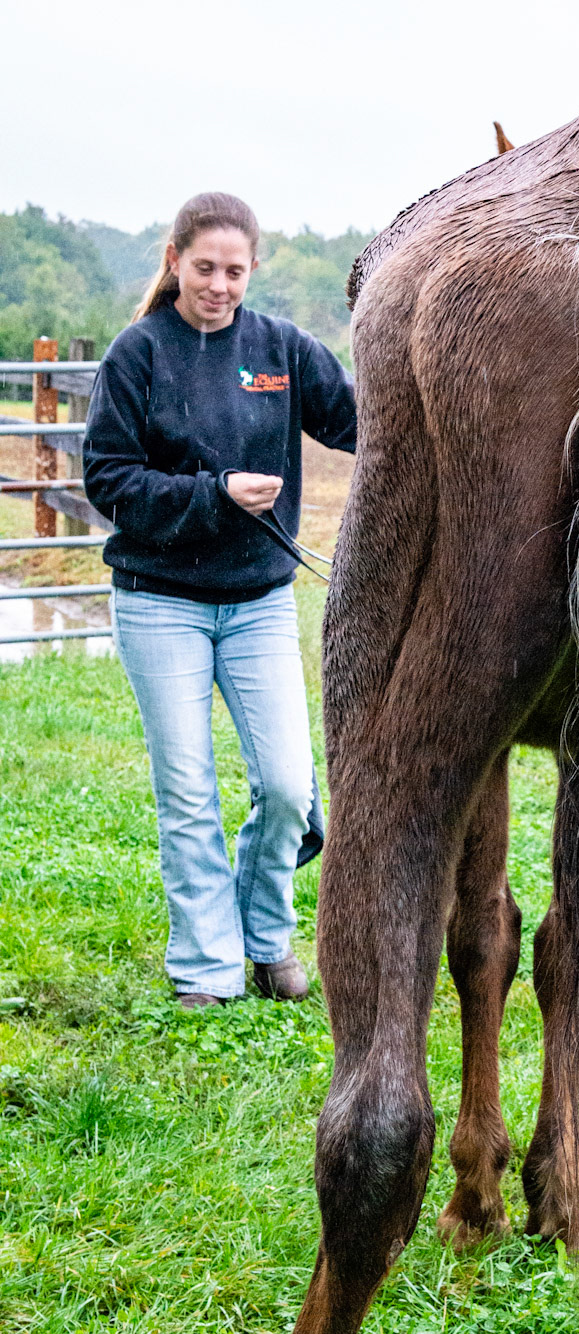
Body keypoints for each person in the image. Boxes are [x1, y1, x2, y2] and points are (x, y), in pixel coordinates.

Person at [83, 191, 357, 1009]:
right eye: (205, 268)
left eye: (235, 271)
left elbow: (357, 420)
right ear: (175, 262)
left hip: (258, 601)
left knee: (286, 787)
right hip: (159, 599)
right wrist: (215, 496)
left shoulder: (280, 349)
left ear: (253, 271)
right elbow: (109, 480)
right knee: (190, 792)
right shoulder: (138, 355)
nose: (220, 285)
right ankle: (208, 966)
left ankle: (263, 930)